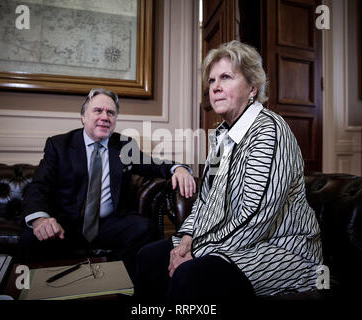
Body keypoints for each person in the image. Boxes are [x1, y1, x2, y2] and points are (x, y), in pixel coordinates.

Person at [135, 41, 323, 302]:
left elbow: (256, 215)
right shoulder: (221, 137)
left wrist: (197, 251)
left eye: (225, 77)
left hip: (280, 249)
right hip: (232, 243)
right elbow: (204, 203)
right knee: (149, 258)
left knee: (190, 276)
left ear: (252, 87)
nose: (215, 87)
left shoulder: (269, 130)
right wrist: (186, 239)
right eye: (212, 80)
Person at [19, 88, 196, 280]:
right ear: (83, 117)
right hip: (66, 224)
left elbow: (153, 165)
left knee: (144, 228)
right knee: (30, 238)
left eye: (110, 113)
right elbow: (38, 186)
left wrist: (179, 168)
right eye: (98, 111)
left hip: (108, 224)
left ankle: (126, 288)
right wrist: (40, 220)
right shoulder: (59, 145)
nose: (105, 117)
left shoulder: (124, 145)